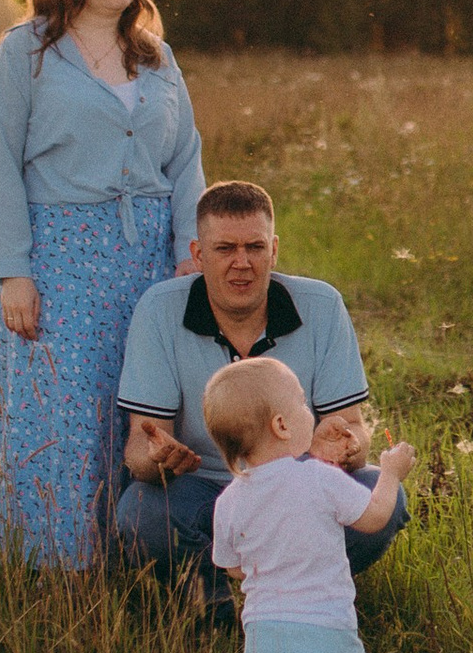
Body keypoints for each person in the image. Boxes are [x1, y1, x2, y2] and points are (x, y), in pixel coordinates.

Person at [0, 0, 207, 568]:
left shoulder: (157, 56)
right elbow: (0, 165)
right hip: (61, 259)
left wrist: (188, 255)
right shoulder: (26, 51)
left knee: (138, 405)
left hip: (148, 259)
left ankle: (134, 556)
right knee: (66, 408)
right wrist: (12, 270)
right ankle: (55, 565)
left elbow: (187, 158)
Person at [111, 179, 405, 604]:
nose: (241, 263)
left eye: (255, 247)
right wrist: (157, 458)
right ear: (197, 254)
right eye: (224, 249)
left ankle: (305, 596)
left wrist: (342, 448)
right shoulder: (159, 310)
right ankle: (212, 611)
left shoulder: (322, 305)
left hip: (300, 484)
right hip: (202, 486)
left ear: (275, 250)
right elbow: (141, 441)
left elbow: (355, 428)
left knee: (382, 495)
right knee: (141, 511)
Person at [205, 356, 413, 653]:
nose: (309, 412)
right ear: (281, 425)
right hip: (325, 635)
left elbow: (233, 567)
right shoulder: (319, 479)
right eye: (301, 403)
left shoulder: (229, 500)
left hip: (263, 641)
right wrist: (392, 473)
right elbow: (375, 517)